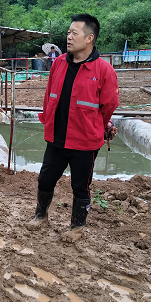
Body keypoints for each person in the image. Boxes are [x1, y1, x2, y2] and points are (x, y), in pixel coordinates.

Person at [29, 14, 119, 239]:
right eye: (68, 33)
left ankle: (77, 227)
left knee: (81, 186)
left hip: (85, 141)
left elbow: (108, 105)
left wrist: (98, 125)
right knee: (45, 179)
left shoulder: (103, 70)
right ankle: (41, 215)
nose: (68, 37)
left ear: (89, 38)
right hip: (57, 137)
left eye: (74, 33)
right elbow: (49, 97)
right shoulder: (58, 64)